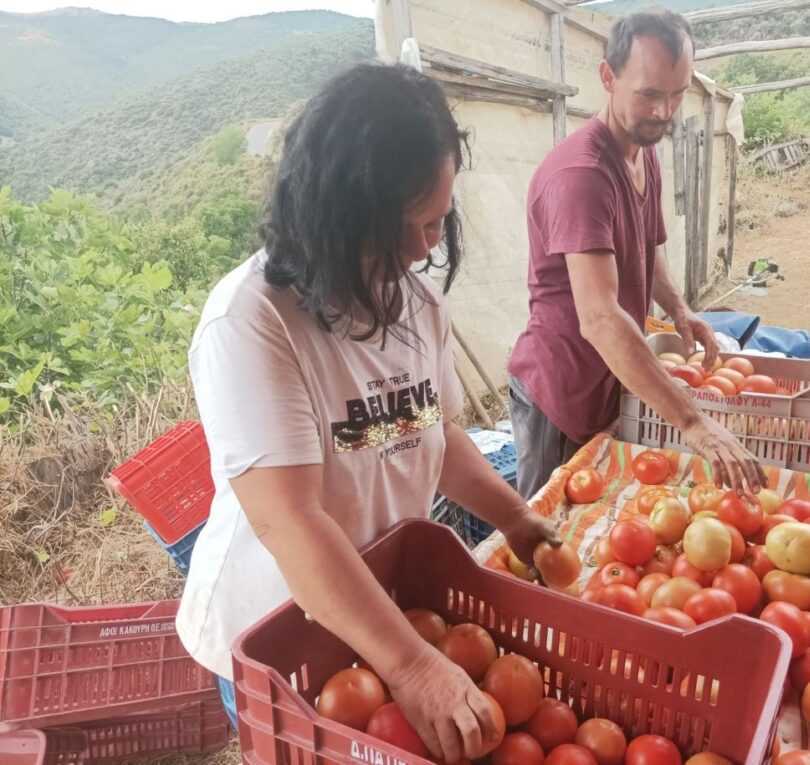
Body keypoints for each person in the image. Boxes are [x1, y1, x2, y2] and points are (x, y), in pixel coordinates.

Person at [176, 61, 559, 764]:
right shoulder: (253, 321)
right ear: (342, 216)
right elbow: (291, 519)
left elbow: (437, 432)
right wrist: (413, 667)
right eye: (411, 226)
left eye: (441, 220)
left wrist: (516, 517)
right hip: (280, 630)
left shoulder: (416, 303)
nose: (427, 248)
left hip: (380, 613)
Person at [507, 9, 766, 500]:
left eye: (677, 93)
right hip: (561, 394)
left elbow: (647, 245)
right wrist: (693, 422)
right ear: (608, 76)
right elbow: (601, 317)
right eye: (650, 93)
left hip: (613, 379)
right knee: (545, 530)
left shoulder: (642, 149)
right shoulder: (582, 176)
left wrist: (679, 309)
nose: (665, 111)